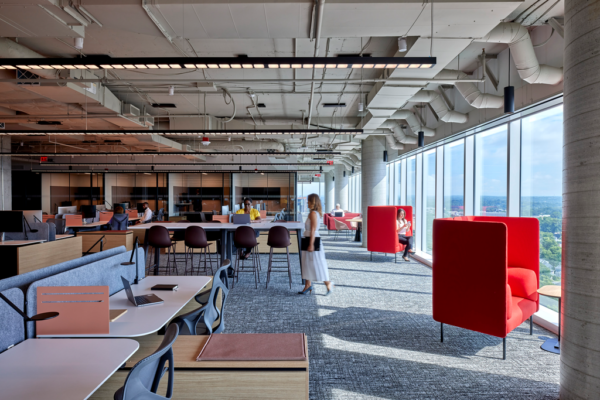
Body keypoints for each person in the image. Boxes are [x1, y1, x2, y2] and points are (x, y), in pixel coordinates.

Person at [299, 193, 333, 296]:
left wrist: (311, 244)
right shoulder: (313, 213)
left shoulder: (313, 214)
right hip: (308, 239)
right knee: (307, 263)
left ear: (312, 202)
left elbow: (313, 230)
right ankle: (307, 285)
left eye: (308, 201)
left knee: (316, 263)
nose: (307, 202)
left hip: (311, 240)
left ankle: (328, 283)